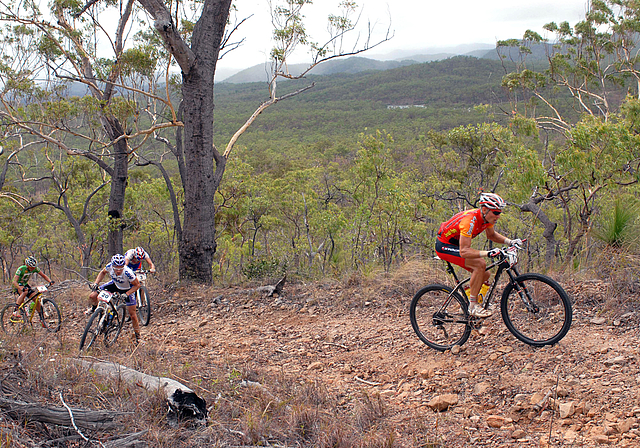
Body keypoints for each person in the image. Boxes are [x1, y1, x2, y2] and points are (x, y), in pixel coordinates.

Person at [435, 192, 522, 318]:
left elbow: (491, 235)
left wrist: (510, 242)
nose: (498, 216)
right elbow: (464, 251)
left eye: (500, 212)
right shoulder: (469, 221)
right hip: (444, 246)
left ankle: (464, 304)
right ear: (485, 209)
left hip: (456, 245)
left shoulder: (487, 218)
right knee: (480, 264)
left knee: (485, 273)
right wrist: (488, 253)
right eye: (496, 213)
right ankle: (472, 306)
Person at [88, 254, 142, 342]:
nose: (118, 271)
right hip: (115, 285)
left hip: (127, 289)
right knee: (93, 295)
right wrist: (96, 283)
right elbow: (102, 272)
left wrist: (127, 294)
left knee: (132, 315)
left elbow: (137, 285)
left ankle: (138, 336)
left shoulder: (128, 273)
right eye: (116, 268)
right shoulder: (109, 266)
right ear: (113, 266)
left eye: (120, 268)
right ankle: (95, 309)